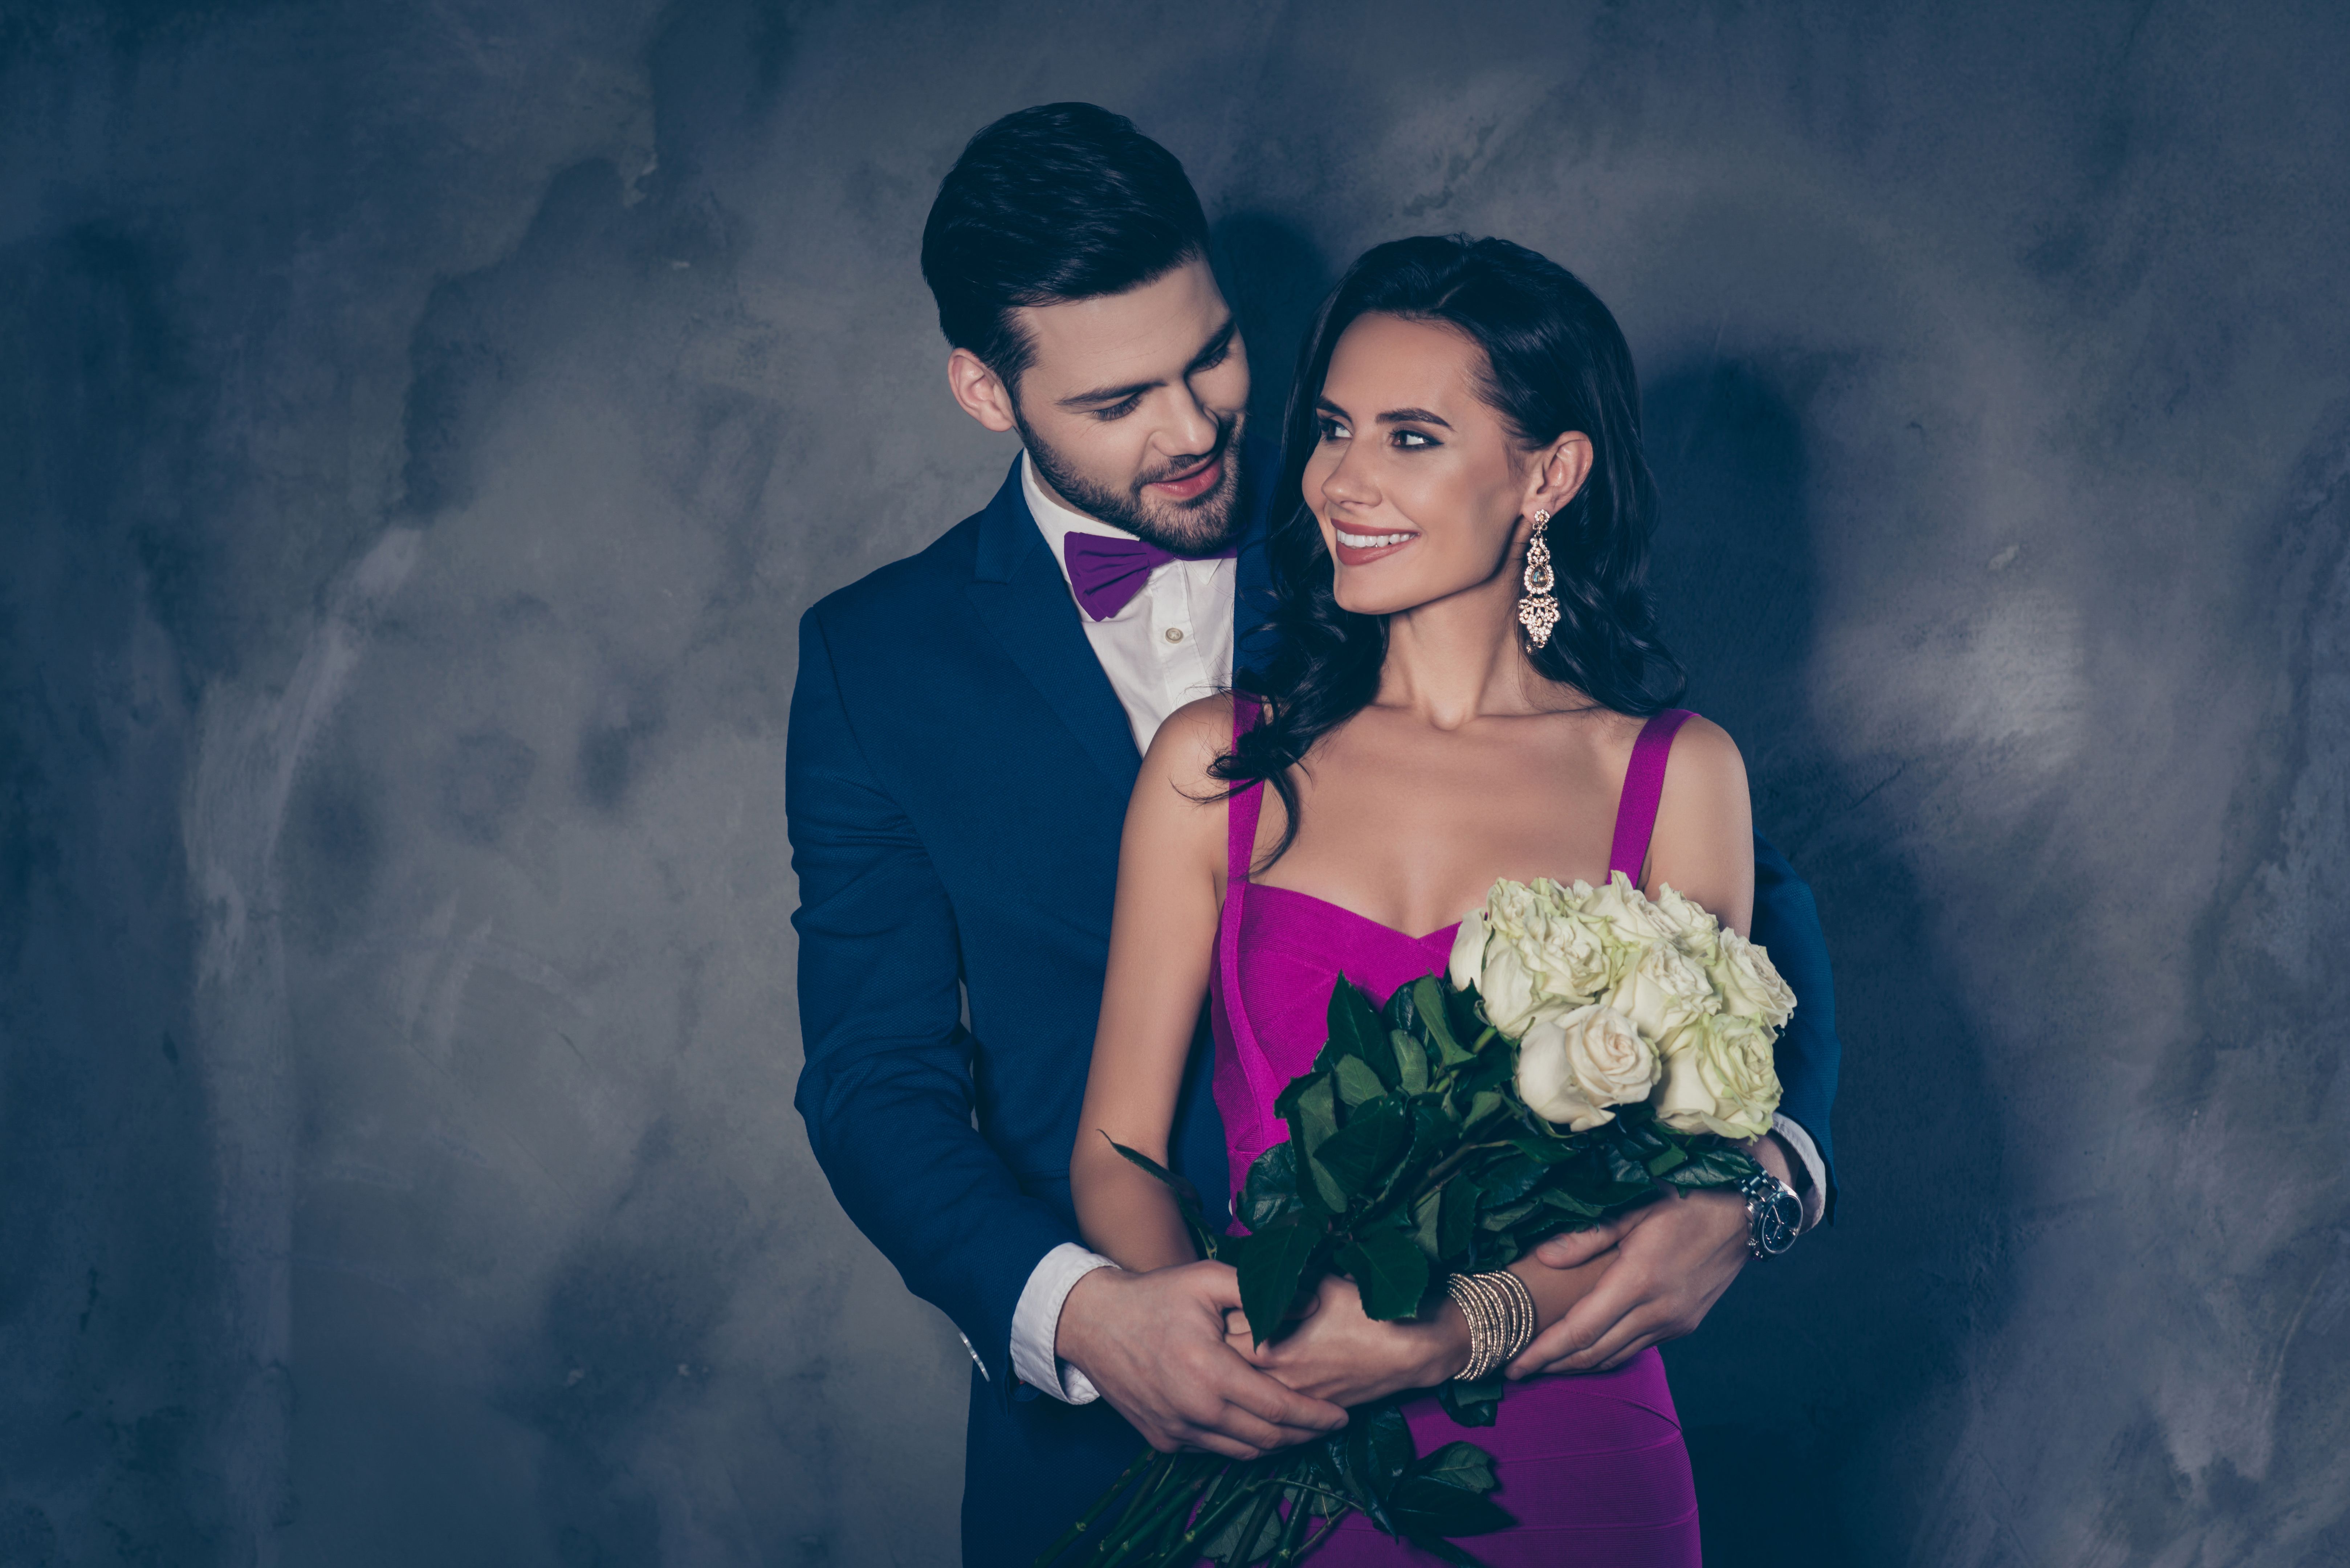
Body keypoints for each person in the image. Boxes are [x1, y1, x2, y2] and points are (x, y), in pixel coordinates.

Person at [787, 106, 1841, 1568]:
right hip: (1108, 1434)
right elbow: (870, 1076)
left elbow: (1742, 922)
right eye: (1116, 403)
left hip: (1544, 1408)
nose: (1196, 430)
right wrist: (1092, 1313)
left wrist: (1764, 1167)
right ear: (985, 390)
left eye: (1210, 357)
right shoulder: (874, 664)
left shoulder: (1377, 516)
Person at [1070, 233, 1795, 1561]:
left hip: (1575, 1465)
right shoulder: (1218, 762)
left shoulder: (1674, 774)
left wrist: (1439, 1335)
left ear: (1549, 474)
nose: (1341, 481)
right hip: (1278, 1455)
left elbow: (1680, 1191)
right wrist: (1227, 1350)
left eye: (1410, 437)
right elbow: (1114, 1150)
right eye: (1333, 427)